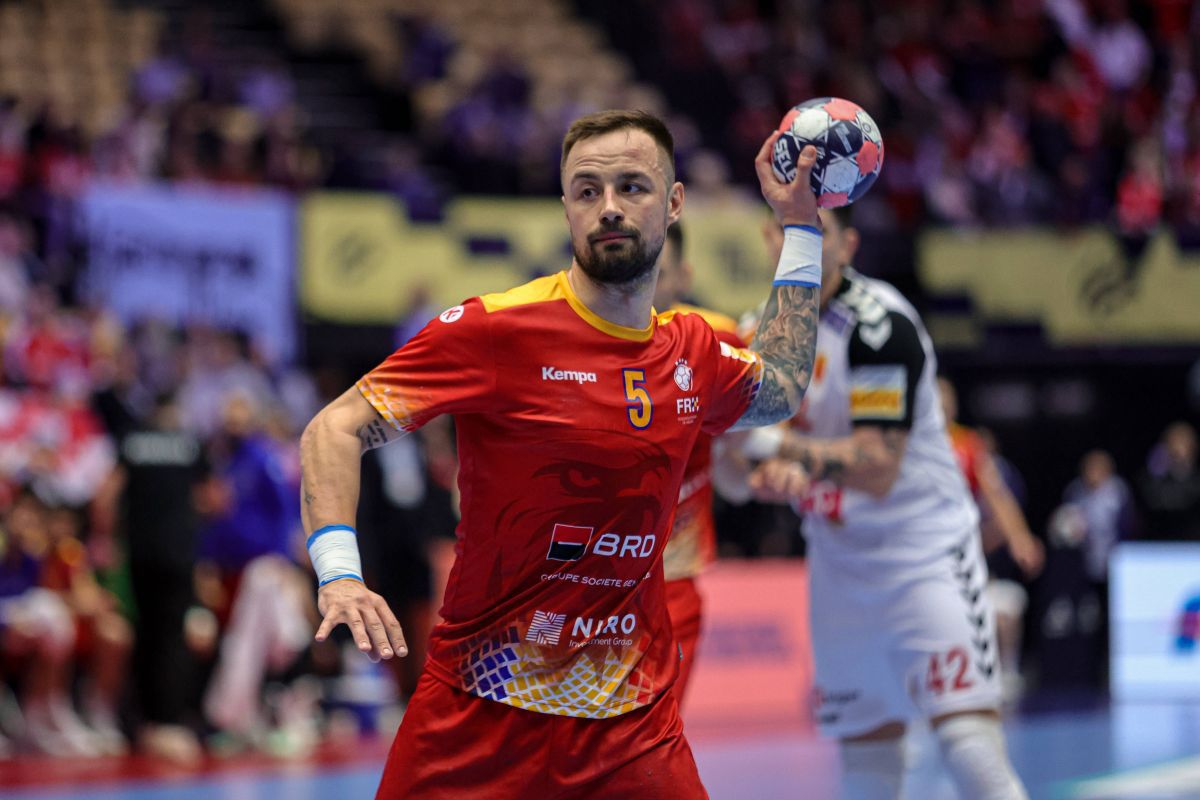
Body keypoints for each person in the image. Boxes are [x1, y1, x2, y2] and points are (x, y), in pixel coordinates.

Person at [299, 109, 823, 798]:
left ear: (673, 203)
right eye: (586, 190)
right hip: (478, 706)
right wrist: (339, 573)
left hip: (631, 722)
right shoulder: (498, 330)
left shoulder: (693, 350)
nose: (608, 208)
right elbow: (335, 427)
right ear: (567, 208)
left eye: (632, 187)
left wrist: (801, 228)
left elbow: (781, 386)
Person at [746, 207, 1029, 799]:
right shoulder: (759, 334)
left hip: (922, 556)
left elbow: (877, 466)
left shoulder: (878, 326)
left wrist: (782, 448)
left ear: (847, 245)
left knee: (971, 750)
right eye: (789, 229)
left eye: (817, 231)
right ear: (770, 238)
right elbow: (735, 467)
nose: (801, 242)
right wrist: (764, 473)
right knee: (865, 764)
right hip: (838, 566)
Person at [651, 221, 746, 703]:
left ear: (682, 277)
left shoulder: (718, 341)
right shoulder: (567, 345)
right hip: (577, 588)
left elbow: (745, 454)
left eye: (656, 272)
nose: (639, 284)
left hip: (672, 581)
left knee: (652, 735)